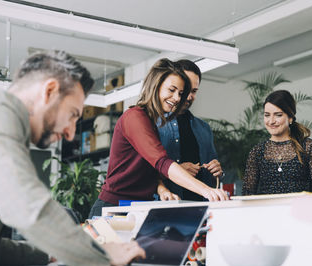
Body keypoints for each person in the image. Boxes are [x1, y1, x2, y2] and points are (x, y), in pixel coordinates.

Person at [0, 51, 145, 266]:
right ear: (50, 91)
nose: (70, 133)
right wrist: (99, 255)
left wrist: (52, 254)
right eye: (73, 114)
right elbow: (27, 207)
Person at [89, 58, 228, 217]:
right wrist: (206, 191)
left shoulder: (151, 123)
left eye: (180, 93)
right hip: (113, 208)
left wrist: (162, 190)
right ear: (156, 86)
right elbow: (161, 162)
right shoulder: (134, 117)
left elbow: (149, 171)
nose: (177, 98)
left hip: (136, 208)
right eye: (172, 90)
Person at [156, 59, 223, 201]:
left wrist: (216, 171)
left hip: (202, 206)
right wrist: (177, 171)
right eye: (185, 89)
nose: (188, 96)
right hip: (168, 206)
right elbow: (144, 173)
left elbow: (212, 177)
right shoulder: (153, 124)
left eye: (193, 91)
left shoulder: (204, 128)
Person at [242, 90, 312, 195]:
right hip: (267, 210)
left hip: (299, 209)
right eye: (267, 115)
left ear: (290, 118)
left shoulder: (308, 147)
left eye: (278, 115)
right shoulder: (257, 152)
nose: (271, 121)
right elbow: (247, 194)